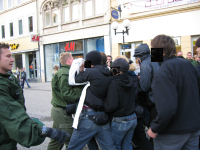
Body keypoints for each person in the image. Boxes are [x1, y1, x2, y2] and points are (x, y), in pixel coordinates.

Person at [0, 43, 70, 149]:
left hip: (8, 137)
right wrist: (41, 130)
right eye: (8, 56)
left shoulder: (9, 78)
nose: (13, 59)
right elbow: (11, 114)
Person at [147, 35, 200, 150]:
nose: (152, 53)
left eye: (153, 50)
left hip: (172, 133)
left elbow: (167, 108)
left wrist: (155, 127)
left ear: (159, 51)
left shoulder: (163, 71)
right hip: (193, 128)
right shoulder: (188, 65)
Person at [67, 51, 116, 150]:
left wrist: (78, 66)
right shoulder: (109, 73)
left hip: (88, 118)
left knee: (73, 148)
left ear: (89, 62)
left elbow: (72, 80)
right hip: (103, 117)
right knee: (110, 148)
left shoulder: (91, 72)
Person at [47, 52, 84, 150]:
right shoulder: (65, 73)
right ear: (69, 61)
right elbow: (68, 95)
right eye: (73, 59)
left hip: (59, 111)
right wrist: (82, 90)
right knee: (74, 141)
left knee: (56, 141)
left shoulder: (64, 72)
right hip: (62, 112)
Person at [104, 58, 138, 150]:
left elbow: (111, 106)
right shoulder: (131, 79)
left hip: (120, 121)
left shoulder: (114, 84)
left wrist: (103, 106)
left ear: (115, 69)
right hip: (133, 118)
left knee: (116, 146)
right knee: (127, 145)